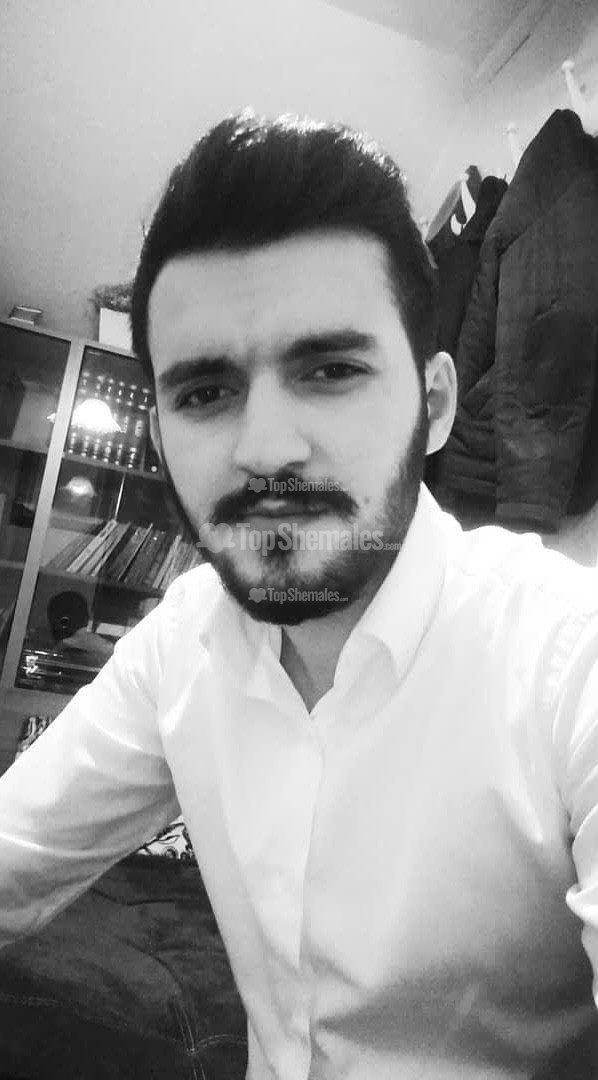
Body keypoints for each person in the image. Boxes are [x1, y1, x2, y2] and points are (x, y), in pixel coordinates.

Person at [1, 109, 598, 1080]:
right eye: (204, 393)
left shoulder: (570, 660)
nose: (266, 449)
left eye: (329, 370)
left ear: (436, 405)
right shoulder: (180, 648)